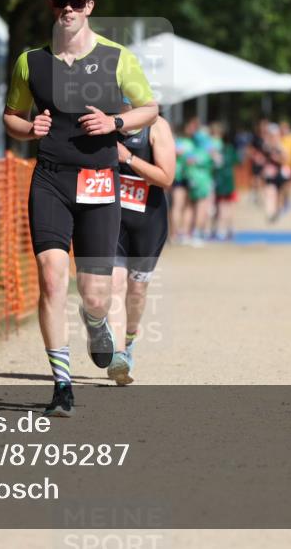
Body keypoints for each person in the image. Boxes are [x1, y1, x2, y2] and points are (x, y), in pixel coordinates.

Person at [2, 0, 158, 417]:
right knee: (52, 278)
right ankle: (62, 385)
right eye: (60, 1)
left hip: (98, 179)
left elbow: (150, 109)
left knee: (95, 294)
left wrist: (115, 123)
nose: (67, 9)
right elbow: (11, 117)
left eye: (75, 1)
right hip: (50, 179)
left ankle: (95, 320)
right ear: (52, 6)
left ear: (89, 6)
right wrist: (29, 129)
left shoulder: (117, 57)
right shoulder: (30, 61)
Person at [107, 114, 176, 385]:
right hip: (113, 219)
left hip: (148, 222)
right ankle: (118, 356)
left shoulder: (156, 127)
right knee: (114, 284)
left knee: (136, 290)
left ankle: (128, 339)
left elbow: (166, 178)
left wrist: (128, 158)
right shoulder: (103, 120)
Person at [211, 122, 238, 240]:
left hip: (222, 181)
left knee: (222, 206)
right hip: (228, 181)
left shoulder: (219, 149)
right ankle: (229, 229)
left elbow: (218, 164)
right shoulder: (229, 148)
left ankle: (221, 230)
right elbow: (236, 161)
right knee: (227, 206)